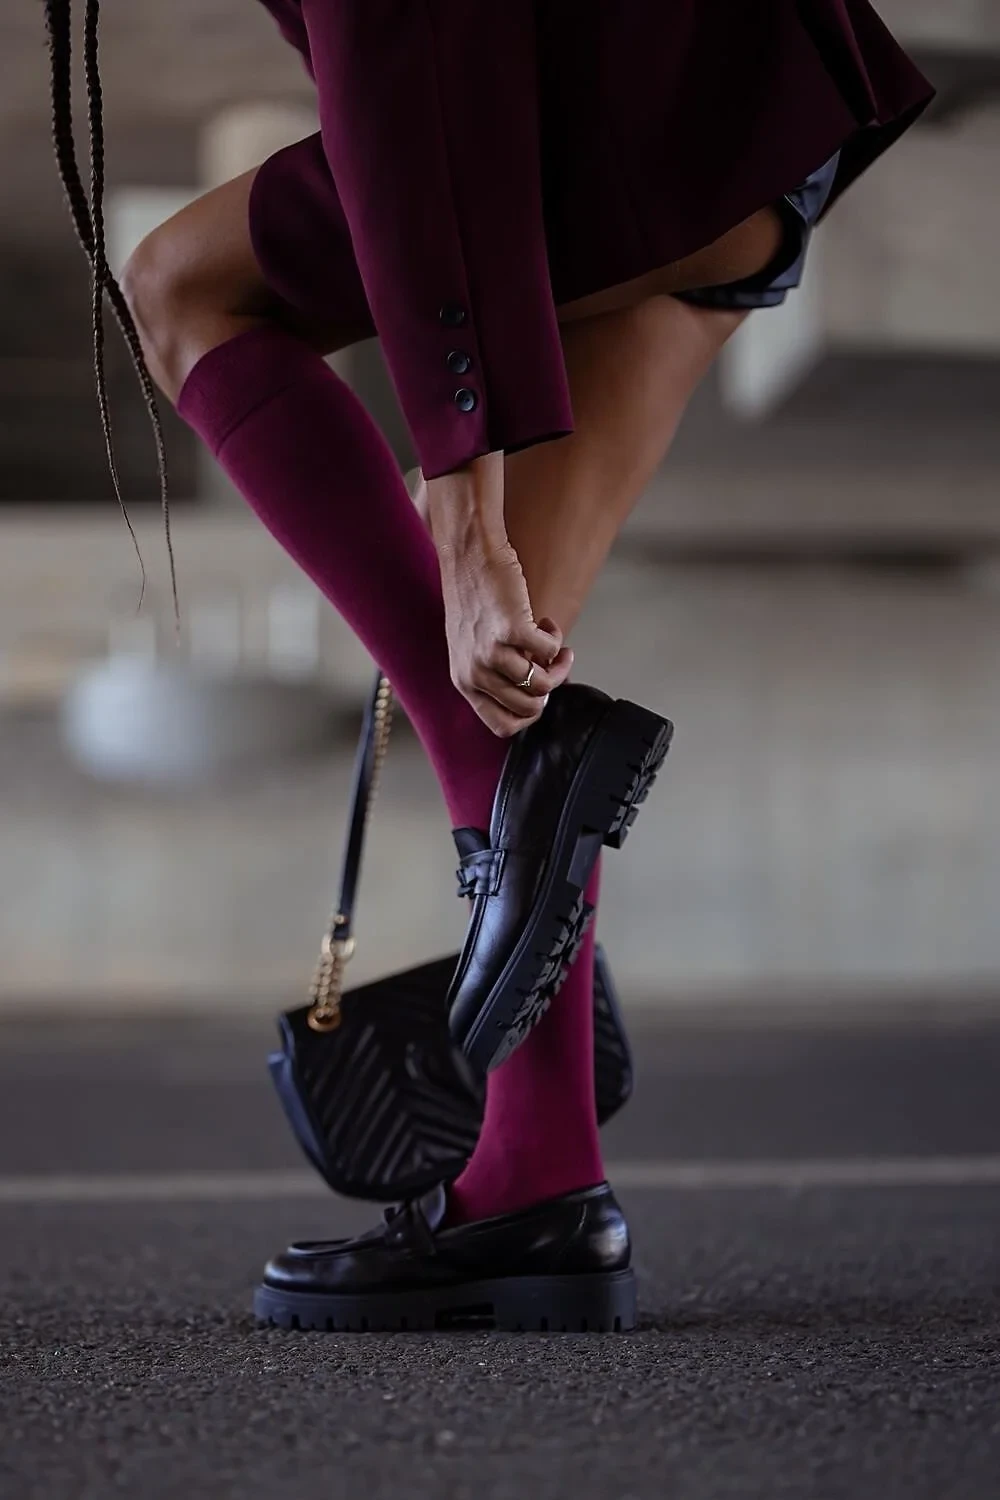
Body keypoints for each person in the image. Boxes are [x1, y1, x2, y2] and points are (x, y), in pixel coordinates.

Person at [45, 0, 932, 1333]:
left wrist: (462, 504)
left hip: (660, 123)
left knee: (181, 283)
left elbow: (411, 71)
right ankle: (542, 1189)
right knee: (510, 692)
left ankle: (532, 902)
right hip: (749, 138)